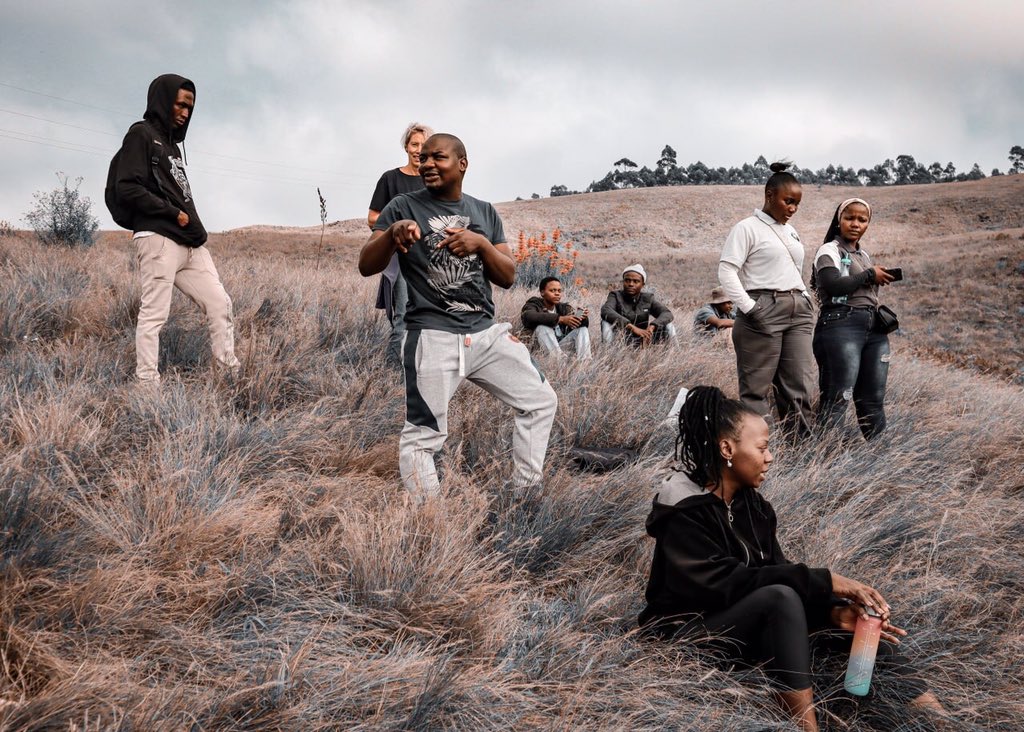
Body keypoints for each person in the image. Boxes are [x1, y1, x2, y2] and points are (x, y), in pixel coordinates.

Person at [639, 386, 947, 732]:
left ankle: (941, 722)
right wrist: (826, 580)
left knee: (855, 622)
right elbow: (721, 584)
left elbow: (772, 572)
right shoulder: (683, 509)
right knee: (780, 598)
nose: (770, 457)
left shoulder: (754, 506)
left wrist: (831, 611)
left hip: (744, 628)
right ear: (727, 449)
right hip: (684, 638)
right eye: (762, 447)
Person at [358, 133, 558, 501]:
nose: (427, 163)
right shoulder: (403, 206)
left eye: (439, 157)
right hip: (432, 337)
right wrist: (392, 235)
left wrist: (480, 244)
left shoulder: (483, 211)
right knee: (423, 436)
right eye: (424, 159)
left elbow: (508, 276)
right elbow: (365, 264)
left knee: (540, 400)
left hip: (485, 335)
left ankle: (526, 495)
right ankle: (430, 520)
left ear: (462, 163)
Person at [112, 74, 240, 384]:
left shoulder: (173, 147)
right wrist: (175, 215)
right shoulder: (140, 135)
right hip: (158, 238)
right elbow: (126, 187)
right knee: (155, 314)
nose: (184, 112)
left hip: (189, 244)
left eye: (189, 108)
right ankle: (146, 386)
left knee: (220, 303)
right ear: (163, 100)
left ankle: (229, 378)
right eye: (180, 104)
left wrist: (191, 226)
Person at [718, 162, 815, 437]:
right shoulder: (746, 228)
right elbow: (726, 271)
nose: (793, 208)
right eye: (788, 201)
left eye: (797, 203)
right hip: (762, 308)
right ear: (769, 195)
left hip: (798, 311)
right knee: (756, 391)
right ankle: (758, 453)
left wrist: (806, 298)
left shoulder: (790, 231)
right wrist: (750, 308)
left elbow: (791, 270)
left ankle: (803, 454)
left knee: (799, 387)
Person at [812, 199, 895, 439]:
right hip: (841, 325)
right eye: (850, 218)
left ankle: (881, 460)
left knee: (873, 400)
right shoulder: (829, 250)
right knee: (838, 397)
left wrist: (872, 274)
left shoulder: (864, 254)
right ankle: (825, 462)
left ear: (868, 224)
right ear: (839, 221)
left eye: (862, 219)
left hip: (873, 330)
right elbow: (833, 285)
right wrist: (870, 274)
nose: (855, 224)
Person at [368, 122, 433, 364]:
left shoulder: (434, 180)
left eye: (424, 145)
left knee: (432, 320)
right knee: (403, 317)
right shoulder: (390, 179)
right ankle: (391, 376)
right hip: (402, 260)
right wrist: (397, 229)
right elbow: (373, 217)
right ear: (406, 146)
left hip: (432, 261)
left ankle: (422, 370)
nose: (418, 149)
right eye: (414, 144)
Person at [600, 264, 675, 346]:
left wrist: (652, 326)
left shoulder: (648, 298)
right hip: (620, 340)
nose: (631, 284)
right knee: (605, 323)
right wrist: (631, 327)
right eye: (627, 280)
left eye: (636, 281)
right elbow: (606, 310)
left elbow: (667, 313)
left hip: (644, 337)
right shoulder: (615, 296)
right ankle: (609, 353)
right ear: (623, 281)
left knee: (669, 326)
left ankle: (674, 354)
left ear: (643, 284)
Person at [520, 276, 591, 360]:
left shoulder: (563, 308)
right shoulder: (533, 304)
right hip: (539, 349)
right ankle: (559, 363)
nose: (557, 293)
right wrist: (560, 319)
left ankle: (584, 363)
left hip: (559, 348)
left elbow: (577, 325)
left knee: (582, 330)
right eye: (552, 290)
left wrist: (581, 317)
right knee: (542, 327)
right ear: (542, 292)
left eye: (559, 291)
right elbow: (529, 316)